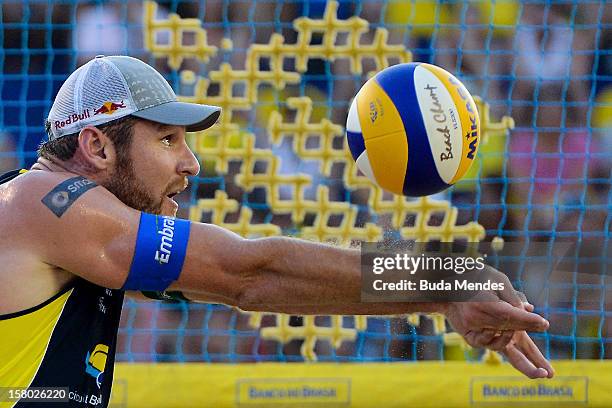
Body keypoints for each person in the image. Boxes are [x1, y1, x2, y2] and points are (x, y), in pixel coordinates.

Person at [0, 55, 553, 408]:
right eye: (168, 139)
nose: (191, 163)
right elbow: (249, 271)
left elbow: (256, 286)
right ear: (96, 146)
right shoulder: (41, 202)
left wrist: (439, 295)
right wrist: (445, 279)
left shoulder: (68, 228)